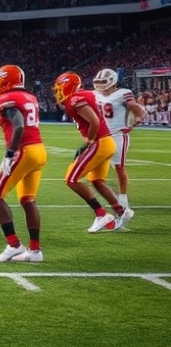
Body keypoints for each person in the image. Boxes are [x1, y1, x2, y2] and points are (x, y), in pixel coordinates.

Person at [54, 72, 133, 233]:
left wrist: (89, 142)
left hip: (100, 142)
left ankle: (101, 214)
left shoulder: (75, 99)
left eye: (60, 88)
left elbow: (95, 121)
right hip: (107, 142)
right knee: (97, 181)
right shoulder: (88, 94)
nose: (58, 92)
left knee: (71, 179)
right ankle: (121, 211)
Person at [0, 65, 47, 262]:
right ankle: (35, 251)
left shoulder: (6, 99)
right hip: (39, 150)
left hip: (25, 151)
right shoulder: (30, 96)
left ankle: (13, 245)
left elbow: (19, 126)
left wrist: (9, 154)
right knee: (28, 200)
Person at [93, 68, 146, 210]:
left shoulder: (123, 93)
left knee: (119, 167)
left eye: (103, 81)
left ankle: (123, 198)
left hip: (118, 134)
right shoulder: (95, 94)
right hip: (102, 136)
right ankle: (105, 194)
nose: (100, 84)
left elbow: (136, 107)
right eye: (98, 82)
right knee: (96, 166)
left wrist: (138, 119)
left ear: (112, 81)